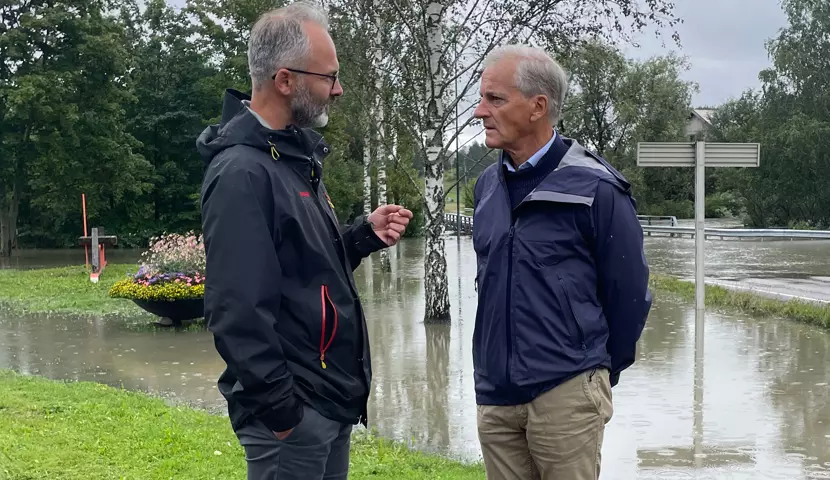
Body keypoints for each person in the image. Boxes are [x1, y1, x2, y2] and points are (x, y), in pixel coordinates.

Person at [197, 3, 413, 479]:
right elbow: (236, 308)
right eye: (329, 76)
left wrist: (358, 238)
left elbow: (302, 270)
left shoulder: (293, 157)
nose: (338, 89)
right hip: (293, 415)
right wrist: (281, 412)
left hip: (325, 402)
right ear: (285, 80)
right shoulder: (242, 173)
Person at [470, 45, 652, 480]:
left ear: (538, 107)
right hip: (495, 395)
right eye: (482, 99)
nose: (480, 111)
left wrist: (595, 372)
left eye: (495, 99)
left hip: (566, 391)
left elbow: (629, 295)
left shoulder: (596, 188)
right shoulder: (486, 187)